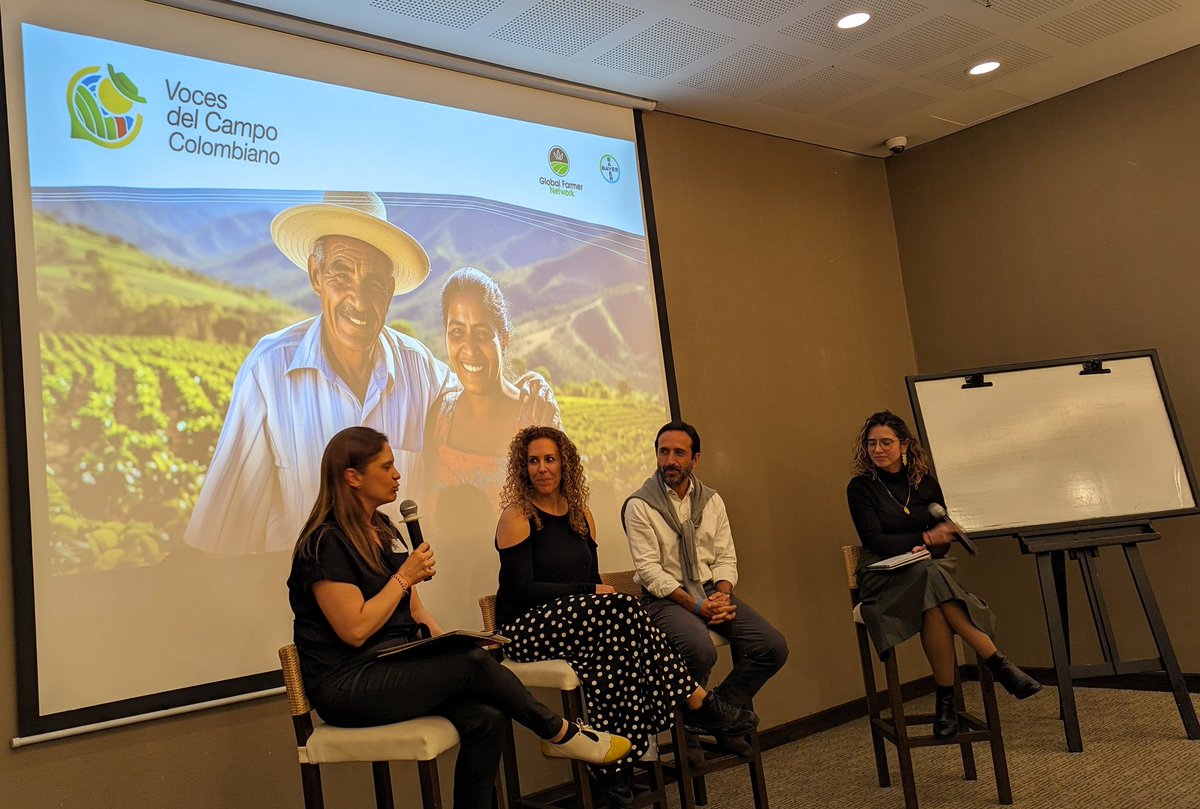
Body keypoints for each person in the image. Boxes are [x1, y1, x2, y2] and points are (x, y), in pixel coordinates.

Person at [185, 192, 552, 554]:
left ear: (390, 290)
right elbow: (222, 533)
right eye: (342, 274)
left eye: (374, 282)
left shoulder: (420, 368)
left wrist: (530, 387)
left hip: (405, 600)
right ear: (316, 274)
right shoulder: (268, 371)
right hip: (307, 602)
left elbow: (480, 387)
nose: (359, 300)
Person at [287, 426, 631, 809]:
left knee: (485, 716)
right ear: (353, 477)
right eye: (386, 467)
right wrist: (404, 577)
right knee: (469, 666)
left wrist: (451, 638)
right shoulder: (324, 543)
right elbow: (355, 630)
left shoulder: (381, 528)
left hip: (392, 663)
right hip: (348, 684)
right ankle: (561, 732)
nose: (397, 474)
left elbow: (414, 611)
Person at [495, 425, 757, 809]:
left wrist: (592, 594)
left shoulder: (581, 516)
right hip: (526, 629)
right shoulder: (517, 516)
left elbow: (590, 580)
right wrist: (590, 594)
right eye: (533, 461)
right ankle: (694, 698)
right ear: (523, 468)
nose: (542, 468)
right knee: (624, 608)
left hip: (576, 624)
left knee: (615, 654)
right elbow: (521, 591)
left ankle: (613, 765)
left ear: (564, 463)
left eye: (550, 459)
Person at [846, 410, 1042, 738]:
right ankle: (998, 663)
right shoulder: (861, 487)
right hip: (882, 575)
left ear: (904, 445)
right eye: (871, 444)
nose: (877, 450)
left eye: (886, 442)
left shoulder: (924, 484)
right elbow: (874, 541)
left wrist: (930, 545)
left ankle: (946, 705)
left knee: (933, 600)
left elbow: (944, 541)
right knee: (932, 577)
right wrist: (923, 540)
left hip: (925, 571)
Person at [622, 421, 788, 757]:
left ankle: (714, 716)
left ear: (695, 459)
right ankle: (699, 728)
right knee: (700, 650)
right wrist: (697, 607)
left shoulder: (711, 501)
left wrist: (722, 595)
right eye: (663, 452)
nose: (670, 460)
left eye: (678, 453)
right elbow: (651, 572)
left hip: (710, 590)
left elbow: (726, 556)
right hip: (664, 599)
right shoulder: (640, 505)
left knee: (772, 646)